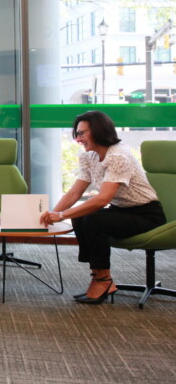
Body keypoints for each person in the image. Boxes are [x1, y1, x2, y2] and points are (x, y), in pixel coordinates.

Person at [39, 110, 166, 304]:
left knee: (93, 218)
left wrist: (61, 215)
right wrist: (51, 214)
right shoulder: (89, 157)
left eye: (82, 133)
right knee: (81, 216)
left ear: (98, 130)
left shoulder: (118, 157)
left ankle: (104, 280)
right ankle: (98, 275)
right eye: (77, 134)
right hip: (120, 211)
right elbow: (74, 193)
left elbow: (102, 199)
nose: (78, 139)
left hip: (147, 215)